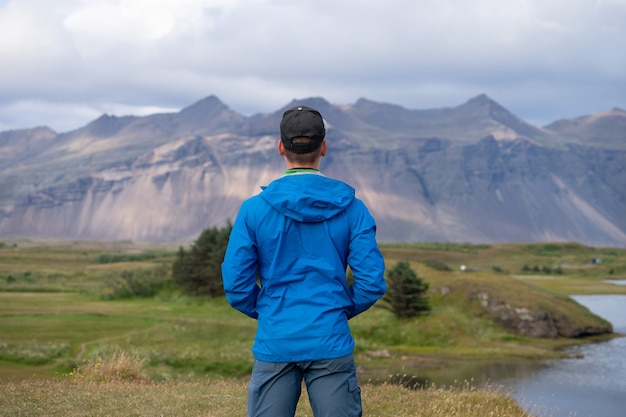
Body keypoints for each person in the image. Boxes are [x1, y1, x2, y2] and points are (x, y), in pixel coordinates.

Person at [221, 105, 386, 417]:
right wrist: (336, 310)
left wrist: (271, 311)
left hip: (276, 340)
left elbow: (236, 285)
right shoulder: (353, 209)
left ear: (281, 147)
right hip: (331, 339)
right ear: (323, 147)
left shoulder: (253, 210)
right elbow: (371, 282)